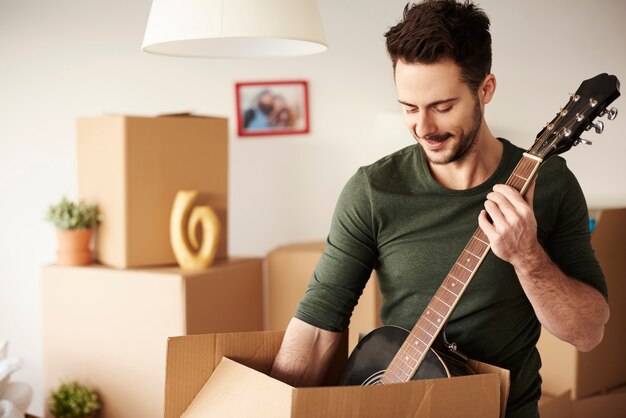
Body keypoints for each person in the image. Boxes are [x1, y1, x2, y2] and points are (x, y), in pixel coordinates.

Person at [269, 1, 610, 417]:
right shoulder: (373, 191)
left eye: (442, 107)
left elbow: (588, 333)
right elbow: (318, 326)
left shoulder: (551, 183)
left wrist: (527, 257)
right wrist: (272, 407)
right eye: (409, 108)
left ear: (485, 89)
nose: (424, 128)